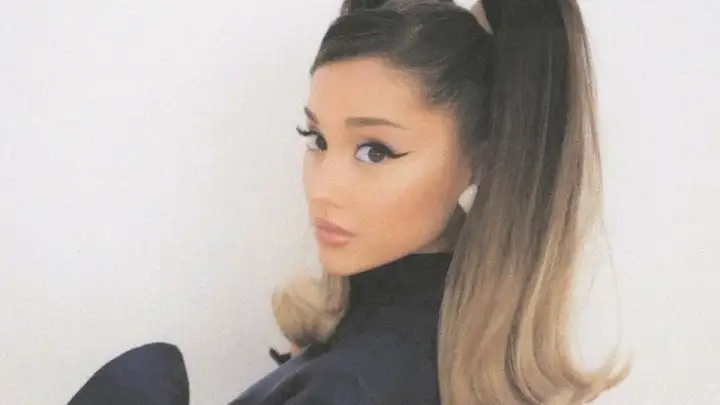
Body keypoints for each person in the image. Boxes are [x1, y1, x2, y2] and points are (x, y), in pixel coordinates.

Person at [230, 0, 629, 404]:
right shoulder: (429, 348)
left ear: (480, 160)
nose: (322, 190)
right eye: (317, 139)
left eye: (375, 151)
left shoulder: (350, 385)